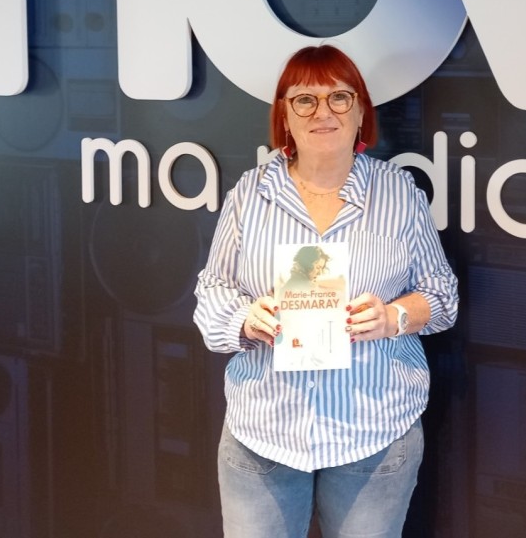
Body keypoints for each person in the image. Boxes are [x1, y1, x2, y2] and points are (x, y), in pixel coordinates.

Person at [194, 44, 459, 538]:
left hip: (374, 432)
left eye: (339, 97)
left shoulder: (399, 193)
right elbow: (212, 289)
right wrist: (246, 319)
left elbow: (441, 294)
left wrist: (393, 317)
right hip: (265, 434)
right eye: (305, 100)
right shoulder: (250, 194)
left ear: (361, 112)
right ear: (284, 116)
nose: (323, 112)